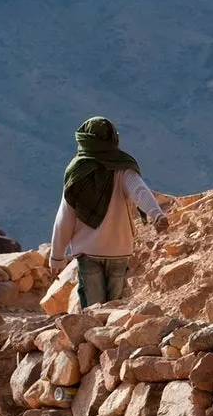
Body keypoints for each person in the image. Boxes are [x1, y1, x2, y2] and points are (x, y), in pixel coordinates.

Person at [49, 117, 169, 308]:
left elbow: (65, 217)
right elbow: (140, 191)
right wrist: (156, 214)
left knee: (93, 308)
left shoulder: (77, 173)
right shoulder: (123, 168)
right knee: (114, 307)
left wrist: (57, 256)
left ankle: (94, 337)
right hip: (119, 248)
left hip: (88, 250)